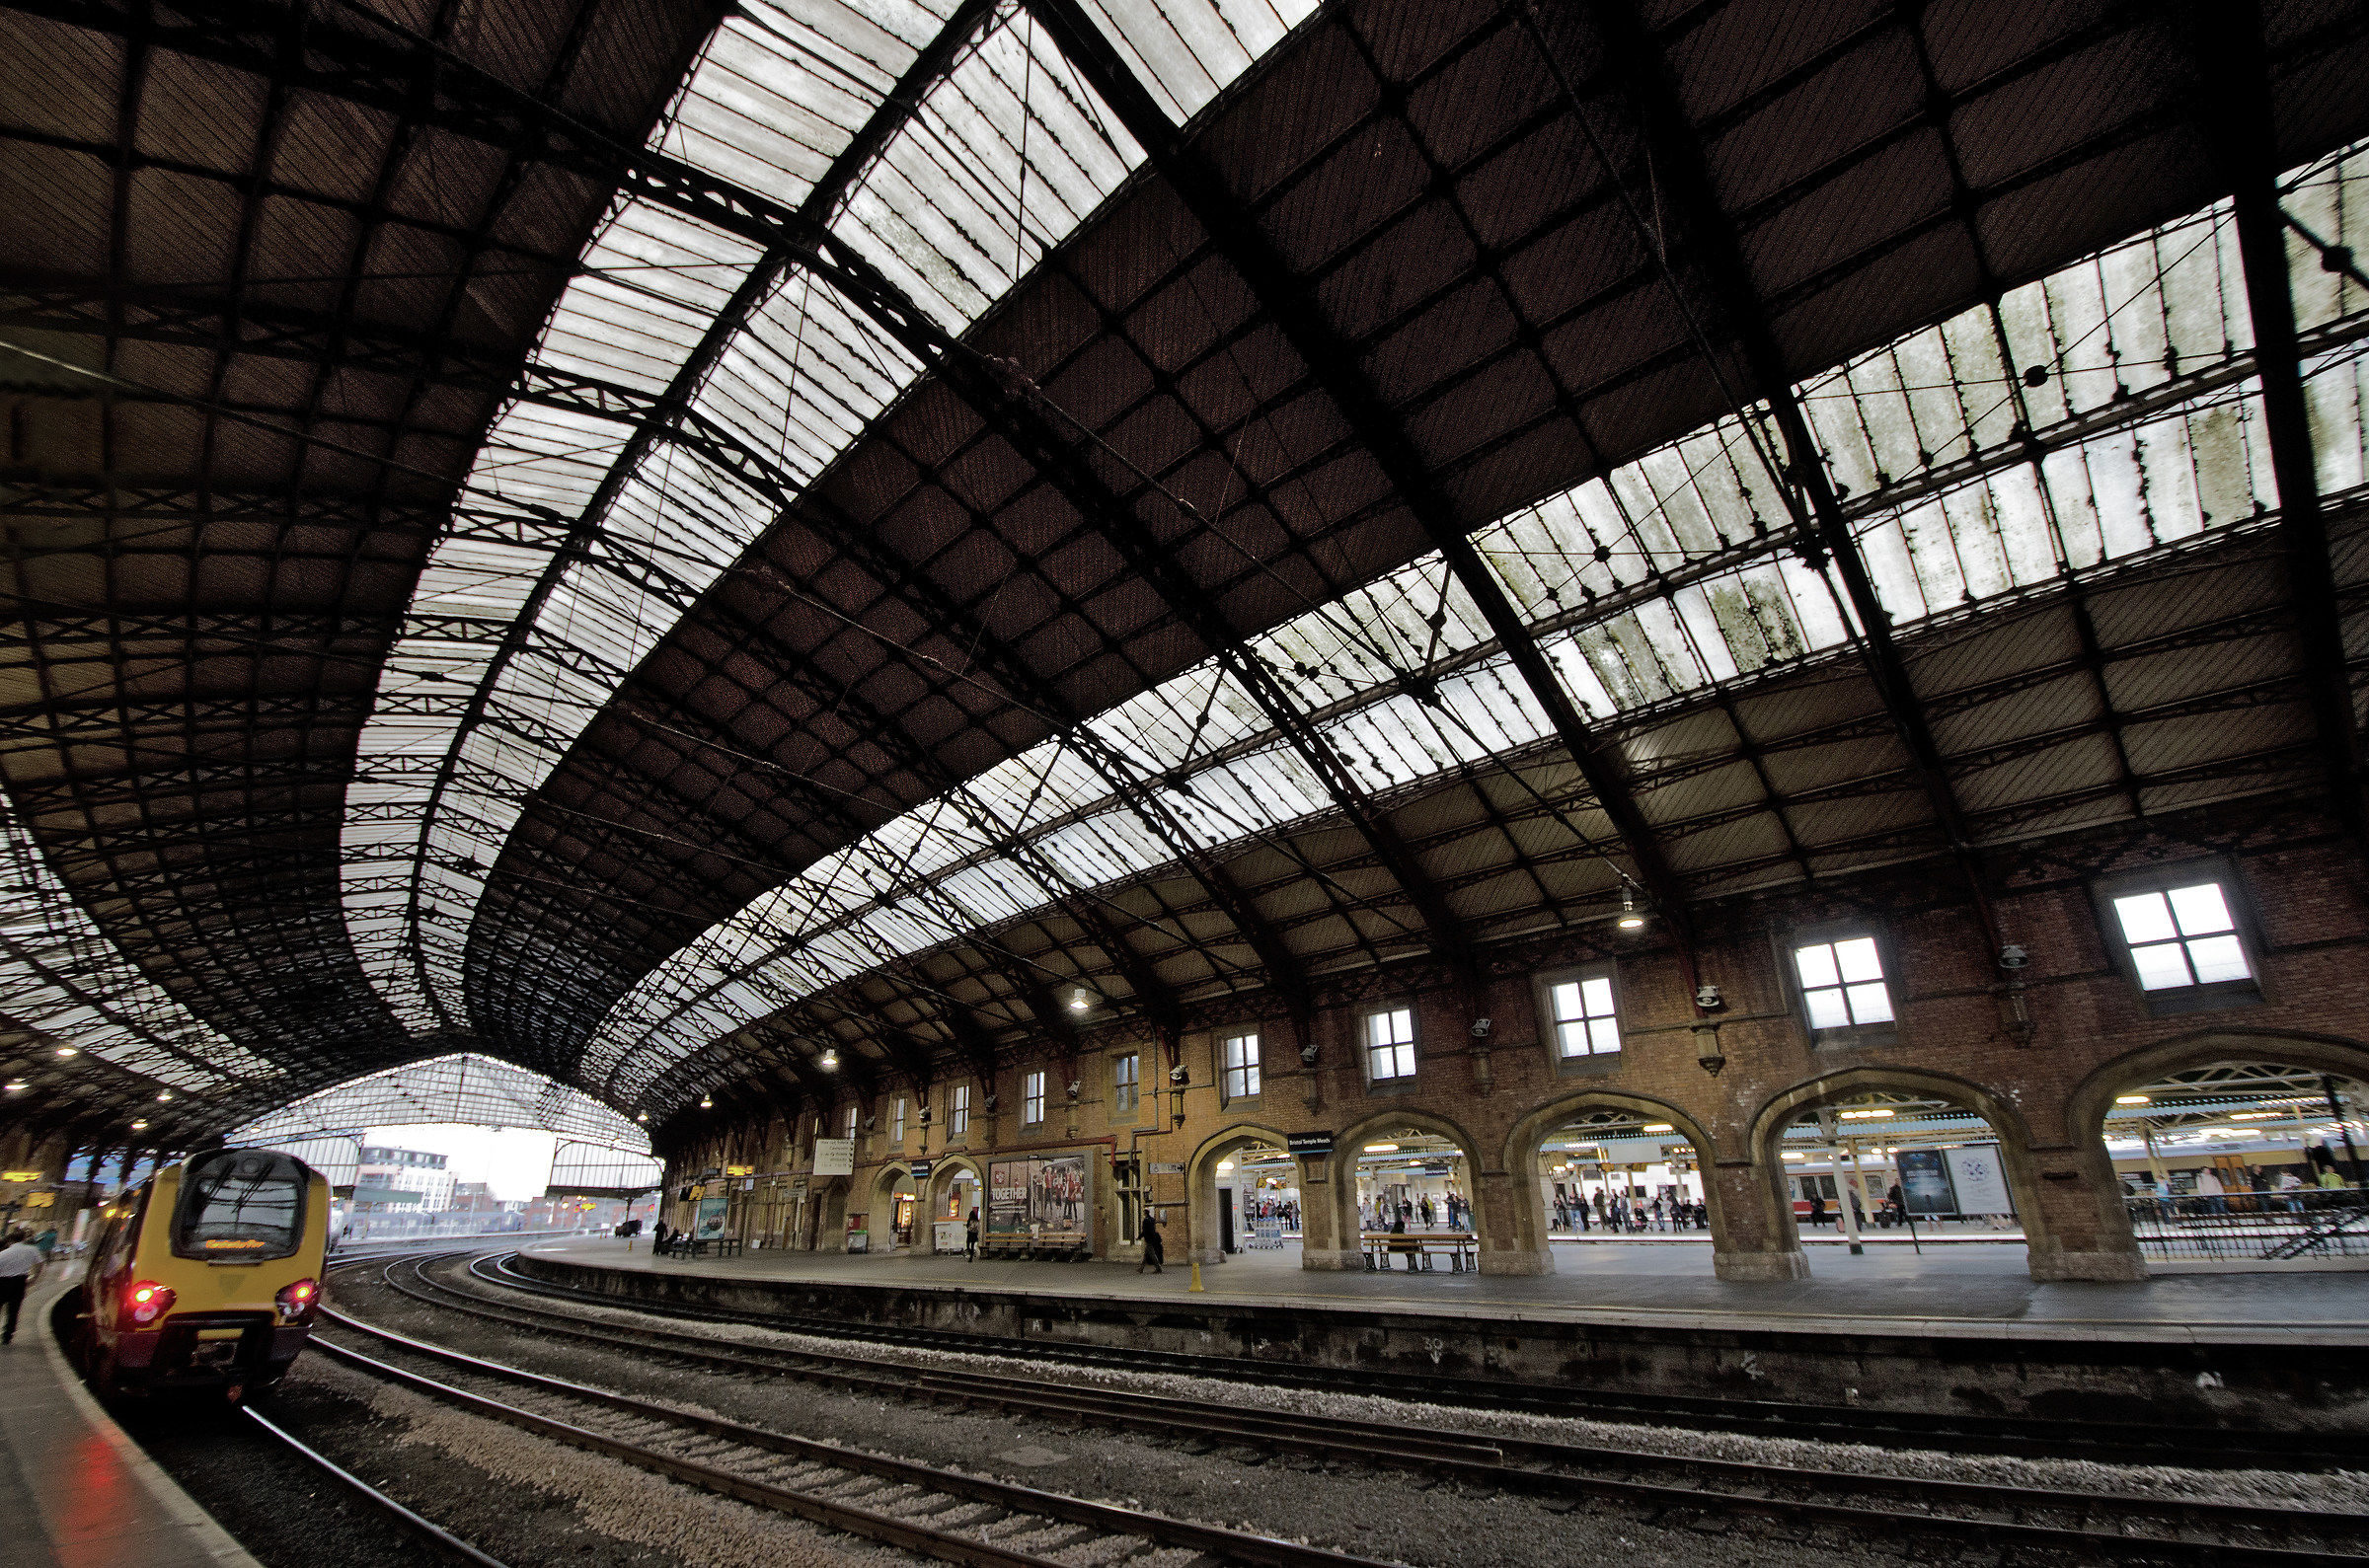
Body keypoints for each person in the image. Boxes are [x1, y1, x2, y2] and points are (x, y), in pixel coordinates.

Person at [0, 1228, 41, 1344]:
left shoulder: (3, 1253)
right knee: (14, 1310)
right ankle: (7, 1336)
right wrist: (34, 1277)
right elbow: (40, 1263)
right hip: (20, 1282)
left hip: (2, 1282)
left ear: (10, 1241)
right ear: (24, 1238)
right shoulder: (32, 1250)